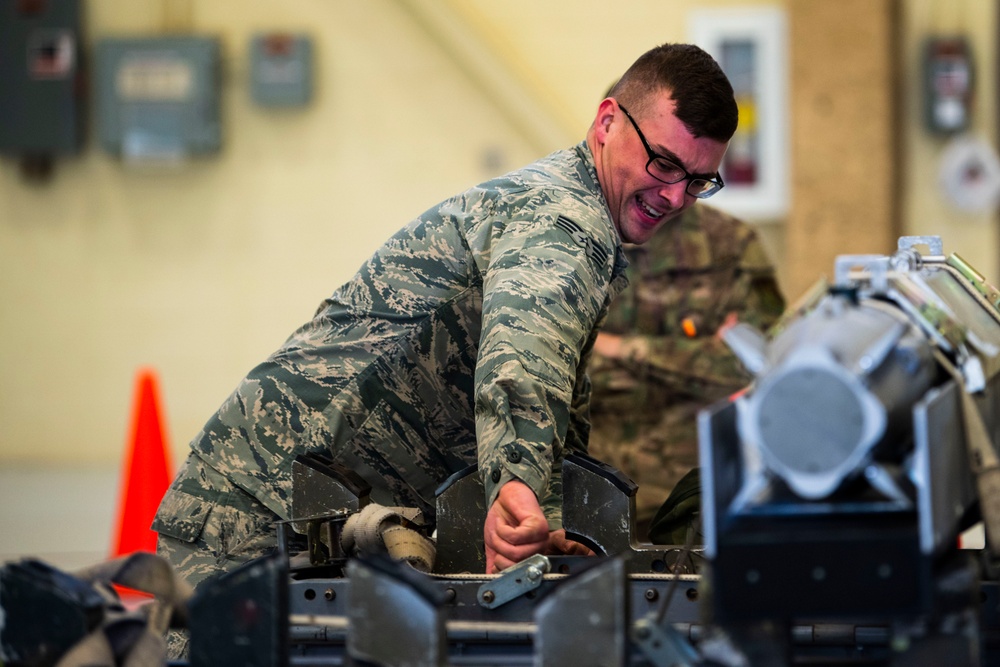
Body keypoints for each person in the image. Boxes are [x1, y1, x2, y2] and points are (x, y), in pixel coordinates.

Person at [152, 43, 738, 612]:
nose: (675, 195)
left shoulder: (572, 209)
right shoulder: (563, 221)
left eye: (699, 180)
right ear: (608, 120)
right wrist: (517, 489)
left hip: (312, 517)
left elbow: (552, 393)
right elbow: (523, 360)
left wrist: (547, 520)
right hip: (257, 518)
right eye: (663, 163)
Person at [585, 204, 785, 541]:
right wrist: (691, 358)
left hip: (692, 496)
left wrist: (616, 348)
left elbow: (755, 366)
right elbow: (544, 361)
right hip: (587, 493)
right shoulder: (567, 236)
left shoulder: (730, 244)